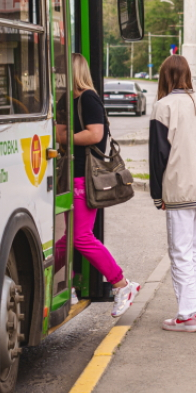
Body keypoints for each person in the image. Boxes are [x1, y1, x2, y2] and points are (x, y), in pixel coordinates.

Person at [55, 54, 139, 316]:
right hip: (68, 176)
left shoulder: (88, 98)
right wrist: (66, 135)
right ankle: (57, 286)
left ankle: (122, 284)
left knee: (80, 237)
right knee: (62, 243)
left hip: (85, 177)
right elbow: (58, 133)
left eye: (62, 68)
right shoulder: (64, 99)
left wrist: (66, 137)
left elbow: (95, 134)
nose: (58, 73)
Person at [149, 55, 196, 333]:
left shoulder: (163, 107)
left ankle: (187, 314)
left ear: (165, 76)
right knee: (194, 247)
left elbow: (158, 156)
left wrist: (158, 194)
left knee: (179, 251)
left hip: (179, 188)